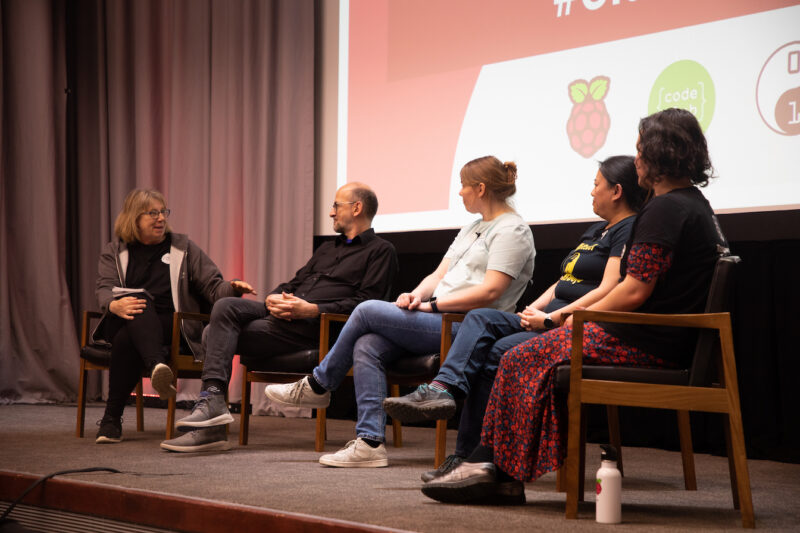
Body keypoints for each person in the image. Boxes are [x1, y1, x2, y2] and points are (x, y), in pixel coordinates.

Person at [421, 108, 729, 504]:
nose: (636, 159)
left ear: (659, 153)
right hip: (658, 338)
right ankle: (491, 467)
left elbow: (633, 291)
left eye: (640, 150)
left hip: (645, 343)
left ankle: (495, 471)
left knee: (516, 358)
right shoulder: (692, 203)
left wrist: (572, 318)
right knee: (518, 353)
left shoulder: (667, 209)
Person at [383, 155, 645, 482]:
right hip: (546, 316)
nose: (591, 192)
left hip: (573, 325)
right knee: (480, 319)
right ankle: (445, 393)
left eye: (596, 185)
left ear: (617, 191)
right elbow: (561, 282)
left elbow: (609, 288)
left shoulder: (628, 229)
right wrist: (532, 311)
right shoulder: (595, 230)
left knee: (492, 352)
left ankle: (468, 454)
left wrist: (555, 319)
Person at [264, 155, 535, 467]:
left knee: (366, 311)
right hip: (436, 317)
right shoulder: (472, 227)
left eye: (463, 186)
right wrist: (414, 295)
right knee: (368, 344)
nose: (459, 193)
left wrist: (432, 305)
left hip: (466, 327)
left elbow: (491, 292)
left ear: (481, 188)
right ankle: (369, 444)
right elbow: (437, 276)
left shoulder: (512, 230)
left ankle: (318, 384)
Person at [160, 182, 398, 452]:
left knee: (209, 333)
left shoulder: (382, 251)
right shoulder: (327, 250)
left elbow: (367, 305)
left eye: (336, 205)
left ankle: (211, 427)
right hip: (286, 314)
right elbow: (294, 282)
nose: (331, 213)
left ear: (357, 208)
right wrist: (274, 296)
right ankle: (213, 400)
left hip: (317, 325)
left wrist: (312, 309)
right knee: (226, 305)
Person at [94, 189, 254, 444]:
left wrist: (233, 287)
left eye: (163, 212)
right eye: (153, 213)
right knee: (139, 303)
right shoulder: (115, 251)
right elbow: (104, 288)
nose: (160, 219)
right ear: (134, 218)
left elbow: (213, 286)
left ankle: (111, 420)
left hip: (173, 325)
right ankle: (157, 365)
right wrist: (113, 306)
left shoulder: (183, 248)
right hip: (126, 316)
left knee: (128, 336)